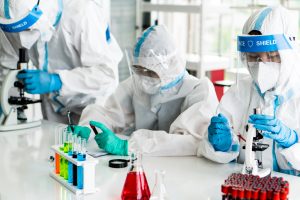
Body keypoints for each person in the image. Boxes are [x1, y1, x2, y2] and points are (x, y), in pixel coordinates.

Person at [74, 24, 218, 156]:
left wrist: (128, 146)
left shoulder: (199, 90)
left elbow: (188, 142)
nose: (144, 78)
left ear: (169, 66)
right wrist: (88, 127)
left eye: (150, 71)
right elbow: (109, 114)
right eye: (139, 70)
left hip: (183, 170)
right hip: (140, 164)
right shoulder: (137, 85)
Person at [197, 6, 300, 176]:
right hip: (245, 187)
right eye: (254, 57)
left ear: (289, 53)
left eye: (272, 55)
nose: (262, 64)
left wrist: (292, 141)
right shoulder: (239, 91)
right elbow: (215, 155)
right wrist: (221, 145)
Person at [0, 0, 122, 123]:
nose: (22, 37)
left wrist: (57, 81)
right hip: (53, 108)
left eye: (28, 30)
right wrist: (4, 99)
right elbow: (8, 63)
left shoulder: (82, 12)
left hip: (95, 108)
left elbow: (106, 75)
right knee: (55, 139)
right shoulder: (10, 18)